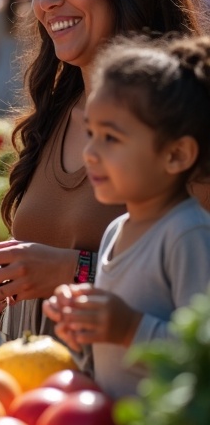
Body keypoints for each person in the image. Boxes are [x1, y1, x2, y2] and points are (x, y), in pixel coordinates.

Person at [0, 0, 206, 347]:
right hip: (34, 400)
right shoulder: (56, 111)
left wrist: (70, 270)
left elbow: (199, 298)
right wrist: (1, 285)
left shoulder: (190, 119)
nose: (46, 1)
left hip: (132, 411)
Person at [43, 35, 210, 398]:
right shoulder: (116, 230)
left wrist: (129, 328)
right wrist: (84, 328)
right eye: (91, 133)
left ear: (177, 155)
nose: (90, 152)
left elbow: (201, 357)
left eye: (111, 138)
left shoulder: (187, 235)